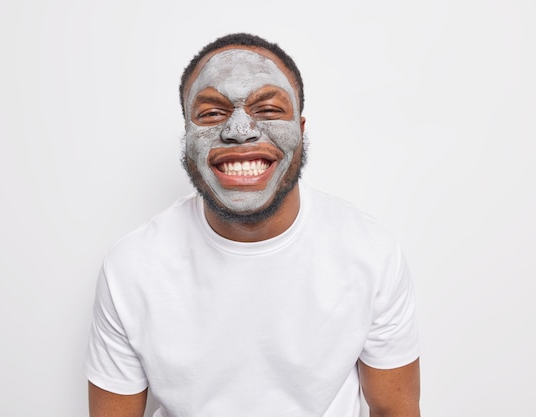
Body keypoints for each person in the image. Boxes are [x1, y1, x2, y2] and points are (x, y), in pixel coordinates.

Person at [86, 32, 421, 417]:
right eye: (212, 113)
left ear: (301, 127)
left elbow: (394, 409)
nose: (240, 130)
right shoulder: (131, 266)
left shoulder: (371, 252)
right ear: (188, 135)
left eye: (269, 109)